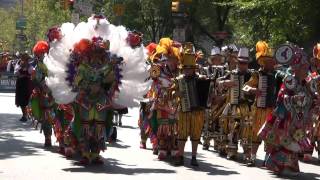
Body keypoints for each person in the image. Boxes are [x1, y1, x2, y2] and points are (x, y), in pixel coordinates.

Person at [258, 44, 316, 176]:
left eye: (306, 66)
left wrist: (313, 103)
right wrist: (295, 99)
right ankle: (278, 165)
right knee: (284, 141)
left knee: (294, 141)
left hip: (298, 118)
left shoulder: (305, 83)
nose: (306, 68)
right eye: (303, 66)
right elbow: (281, 97)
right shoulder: (290, 81)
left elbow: (310, 99)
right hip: (286, 118)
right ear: (296, 68)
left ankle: (289, 166)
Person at [242, 41, 279, 166]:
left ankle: (267, 160)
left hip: (273, 109)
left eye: (271, 61)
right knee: (256, 133)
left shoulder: (278, 75)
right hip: (260, 108)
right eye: (268, 61)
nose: (271, 63)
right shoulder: (257, 75)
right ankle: (252, 157)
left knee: (271, 135)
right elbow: (245, 87)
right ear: (263, 62)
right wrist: (253, 90)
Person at [175, 42, 210, 166]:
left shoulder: (201, 78)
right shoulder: (179, 80)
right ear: (183, 68)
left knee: (195, 134)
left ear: (194, 68)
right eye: (186, 68)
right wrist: (177, 94)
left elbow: (208, 92)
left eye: (190, 68)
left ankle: (194, 157)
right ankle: (180, 156)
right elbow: (172, 94)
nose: (187, 70)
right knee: (182, 133)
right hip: (184, 110)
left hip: (198, 111)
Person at [217, 47, 253, 160]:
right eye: (241, 63)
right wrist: (225, 82)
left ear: (247, 64)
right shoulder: (232, 73)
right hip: (233, 105)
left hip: (247, 106)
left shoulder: (253, 75)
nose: (242, 65)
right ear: (237, 63)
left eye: (245, 63)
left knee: (247, 128)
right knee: (231, 126)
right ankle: (231, 150)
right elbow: (218, 82)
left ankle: (247, 152)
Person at [14, 52, 33, 122]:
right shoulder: (18, 65)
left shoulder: (30, 66)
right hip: (20, 84)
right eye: (23, 58)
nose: (25, 60)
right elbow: (15, 73)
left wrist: (26, 74)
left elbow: (32, 73)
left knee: (28, 99)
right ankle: (24, 115)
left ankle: (28, 114)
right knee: (21, 101)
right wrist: (20, 69)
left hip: (27, 84)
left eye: (26, 59)